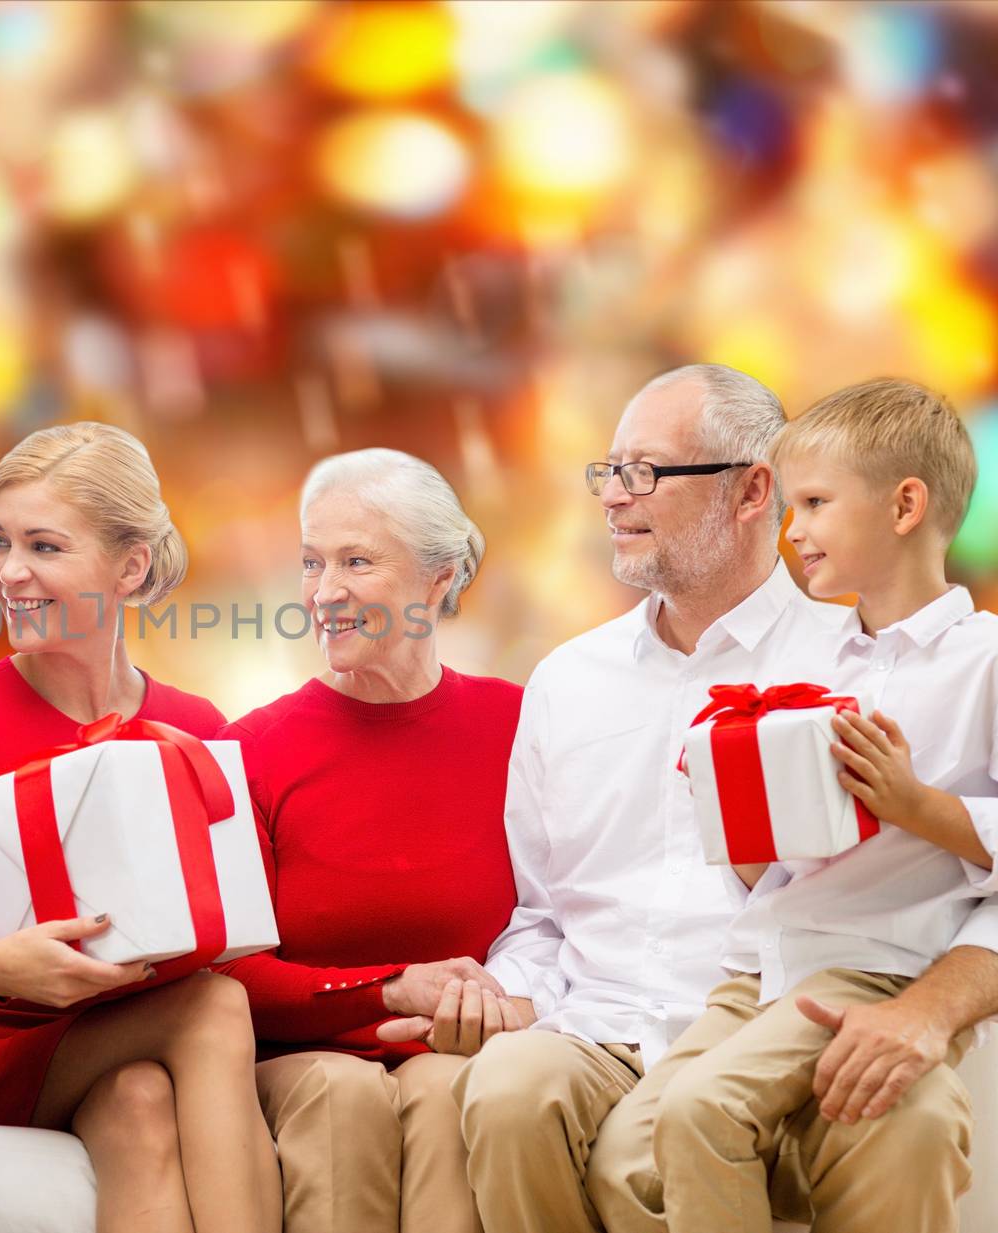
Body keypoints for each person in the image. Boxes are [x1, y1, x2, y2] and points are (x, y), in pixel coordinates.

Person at [451, 363, 998, 1233]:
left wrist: (929, 1008)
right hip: (619, 1019)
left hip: (820, 991)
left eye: (645, 472)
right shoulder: (565, 680)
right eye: (609, 471)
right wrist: (505, 990)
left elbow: (932, 857)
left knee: (914, 1122)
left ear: (750, 489)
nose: (613, 497)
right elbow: (541, 911)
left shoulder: (850, 651)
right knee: (517, 1093)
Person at [0, 422, 283, 1233]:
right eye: (1, 541)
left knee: (141, 1100)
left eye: (44, 546)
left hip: (122, 1047)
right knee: (210, 1010)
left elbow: (242, 946)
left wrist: (381, 990)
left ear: (131, 565)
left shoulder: (194, 727)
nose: (10, 573)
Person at [215, 448, 523, 1233]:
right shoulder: (251, 748)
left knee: (448, 1088)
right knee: (341, 1096)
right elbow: (227, 975)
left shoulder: (519, 725)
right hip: (307, 1064)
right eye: (313, 562)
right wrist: (389, 989)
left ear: (439, 577)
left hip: (458, 1052)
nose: (325, 592)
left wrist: (505, 1007)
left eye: (357, 561)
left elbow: (574, 914)